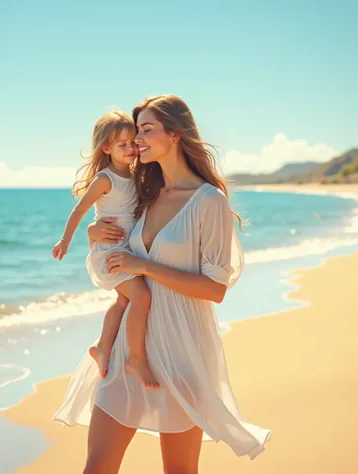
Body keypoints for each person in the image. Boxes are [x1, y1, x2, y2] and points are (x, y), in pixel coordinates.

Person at [54, 95, 271, 474]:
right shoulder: (144, 193)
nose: (137, 138)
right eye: (136, 131)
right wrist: (91, 231)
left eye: (147, 129)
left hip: (181, 353)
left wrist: (145, 266)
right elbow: (114, 239)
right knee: (97, 468)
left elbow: (215, 289)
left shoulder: (209, 201)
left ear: (175, 134)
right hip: (127, 350)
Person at [52, 110, 159, 389]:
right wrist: (66, 241)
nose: (129, 149)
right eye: (121, 145)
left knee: (124, 301)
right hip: (109, 251)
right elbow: (80, 210)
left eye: (132, 143)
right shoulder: (105, 179)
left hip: (126, 249)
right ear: (106, 148)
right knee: (141, 296)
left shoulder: (136, 174)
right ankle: (136, 359)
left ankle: (102, 347)